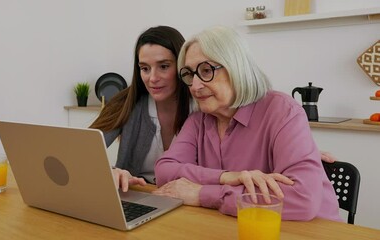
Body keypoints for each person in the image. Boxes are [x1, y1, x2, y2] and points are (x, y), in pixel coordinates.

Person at [153, 26, 341, 222]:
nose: (195, 86)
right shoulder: (197, 120)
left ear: (236, 67)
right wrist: (227, 177)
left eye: (207, 70)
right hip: (236, 226)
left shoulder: (283, 111)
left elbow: (302, 200)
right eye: (190, 74)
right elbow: (164, 171)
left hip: (309, 230)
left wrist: (202, 193)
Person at [89, 26, 192, 190]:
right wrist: (110, 172)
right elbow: (81, 152)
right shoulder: (125, 102)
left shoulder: (201, 107)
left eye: (164, 66)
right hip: (137, 196)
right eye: (145, 68)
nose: (152, 78)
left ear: (182, 66)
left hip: (188, 201)